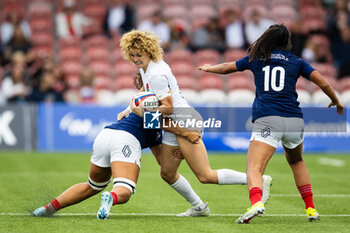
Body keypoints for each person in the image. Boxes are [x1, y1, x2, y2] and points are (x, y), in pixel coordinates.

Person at [198, 24, 344, 223]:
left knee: (254, 168)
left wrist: (208, 68)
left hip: (268, 120)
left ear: (268, 39)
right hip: (294, 120)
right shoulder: (297, 61)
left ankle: (256, 203)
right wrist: (336, 100)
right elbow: (324, 83)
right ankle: (311, 209)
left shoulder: (257, 59)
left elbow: (227, 68)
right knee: (297, 161)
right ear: (286, 42)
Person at [118, 30, 273, 217]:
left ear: (148, 52)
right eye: (132, 55)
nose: (135, 59)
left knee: (205, 175)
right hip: (174, 124)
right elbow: (145, 90)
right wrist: (129, 109)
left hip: (184, 120)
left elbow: (167, 107)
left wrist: (144, 113)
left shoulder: (157, 73)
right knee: (167, 173)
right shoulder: (148, 67)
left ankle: (257, 180)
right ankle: (200, 207)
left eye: (138, 55)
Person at [33, 97, 201, 218]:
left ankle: (49, 207)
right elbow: (157, 122)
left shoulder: (149, 110)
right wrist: (184, 134)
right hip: (125, 140)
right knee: (125, 191)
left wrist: (179, 155)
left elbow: (162, 161)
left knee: (93, 185)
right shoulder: (156, 116)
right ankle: (111, 198)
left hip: (104, 136)